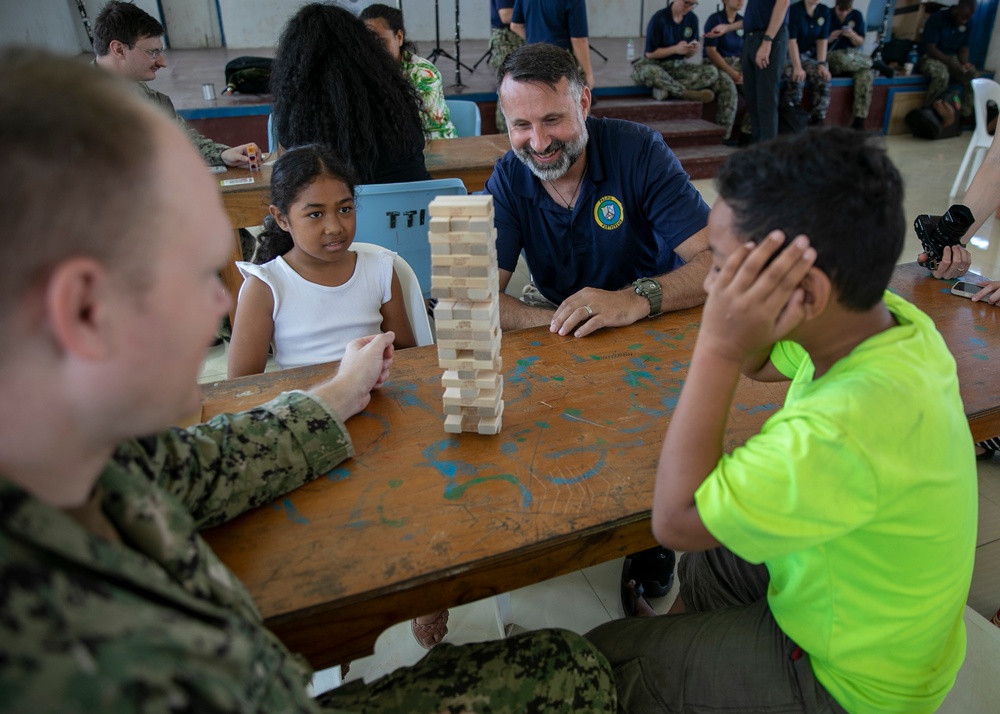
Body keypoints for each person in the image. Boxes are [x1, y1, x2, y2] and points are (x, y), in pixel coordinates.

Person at [0, 46, 619, 713]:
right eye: (196, 275)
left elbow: (204, 463)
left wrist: (336, 392)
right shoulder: (69, 664)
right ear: (84, 310)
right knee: (571, 669)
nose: (219, 305)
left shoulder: (82, 458)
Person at [586, 126, 977, 713]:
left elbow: (675, 519)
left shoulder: (843, 427)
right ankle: (684, 641)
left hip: (854, 683)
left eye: (726, 269)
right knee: (717, 558)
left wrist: (717, 341)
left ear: (807, 295)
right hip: (874, 607)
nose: (712, 283)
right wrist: (739, 330)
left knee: (610, 658)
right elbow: (764, 363)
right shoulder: (882, 318)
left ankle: (661, 664)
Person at [486, 43, 712, 338]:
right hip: (553, 314)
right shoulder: (507, 177)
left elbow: (719, 262)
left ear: (583, 103)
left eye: (552, 120)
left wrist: (633, 299)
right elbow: (476, 298)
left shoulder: (639, 151)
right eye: (521, 125)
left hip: (656, 307)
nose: (539, 142)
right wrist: (566, 322)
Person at [228, 145, 416, 378]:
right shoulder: (265, 287)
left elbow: (409, 358)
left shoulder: (380, 269)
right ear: (282, 219)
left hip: (375, 398)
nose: (335, 227)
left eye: (345, 209)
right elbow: (241, 384)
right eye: (316, 214)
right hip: (307, 407)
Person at [269, 3, 432, 184]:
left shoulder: (299, 120)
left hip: (351, 211)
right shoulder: (395, 100)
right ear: (365, 48)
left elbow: (289, 184)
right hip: (419, 209)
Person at [93, 1, 254, 167]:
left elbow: (178, 137)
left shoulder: (140, 93)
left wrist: (222, 154)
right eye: (152, 52)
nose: (163, 63)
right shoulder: (75, 108)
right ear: (119, 49)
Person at [632, 1, 738, 142]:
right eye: (686, 3)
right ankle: (685, 93)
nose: (688, 7)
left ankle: (668, 89)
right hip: (656, 63)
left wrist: (691, 50)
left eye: (692, 4)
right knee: (652, 72)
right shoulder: (660, 18)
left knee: (711, 72)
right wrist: (674, 49)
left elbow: (687, 54)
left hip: (678, 65)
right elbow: (650, 54)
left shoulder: (692, 19)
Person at [360, 3, 458, 140]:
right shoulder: (366, 69)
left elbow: (413, 128)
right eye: (367, 43)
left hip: (433, 146)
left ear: (399, 37)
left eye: (381, 42)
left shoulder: (422, 74)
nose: (374, 49)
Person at [707, 0, 790, 142]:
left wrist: (767, 40)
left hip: (769, 37)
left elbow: (783, 4)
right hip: (752, 37)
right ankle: (758, 146)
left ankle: (768, 151)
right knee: (753, 99)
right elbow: (754, 18)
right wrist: (728, 28)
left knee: (766, 98)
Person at [510, 0, 596, 90]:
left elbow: (515, 25)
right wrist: (588, 73)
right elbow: (578, 40)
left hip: (532, 57)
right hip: (561, 60)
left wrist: (536, 42)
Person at [918, 0, 978, 119]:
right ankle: (929, 114)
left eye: (967, 19)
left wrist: (964, 64)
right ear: (957, 9)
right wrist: (953, 65)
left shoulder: (968, 23)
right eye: (962, 17)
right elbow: (931, 48)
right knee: (942, 75)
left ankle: (962, 118)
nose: (964, 21)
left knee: (973, 77)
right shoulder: (938, 18)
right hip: (931, 57)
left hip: (952, 59)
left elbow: (964, 47)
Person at [703, 0, 752, 142]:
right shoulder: (715, 19)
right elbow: (711, 51)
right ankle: (723, 137)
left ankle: (746, 135)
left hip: (737, 64)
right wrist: (732, 72)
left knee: (754, 92)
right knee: (729, 90)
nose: (740, 1)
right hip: (718, 64)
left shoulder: (742, 21)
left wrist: (743, 71)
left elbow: (745, 50)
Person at [783, 0, 832, 127]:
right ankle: (794, 119)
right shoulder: (794, 10)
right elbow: (791, 41)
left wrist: (821, 63)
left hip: (807, 55)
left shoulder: (824, 11)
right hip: (788, 55)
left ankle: (818, 119)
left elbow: (822, 39)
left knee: (822, 76)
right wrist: (797, 67)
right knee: (797, 77)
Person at [827, 0, 874, 130]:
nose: (843, 14)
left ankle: (859, 120)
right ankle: (873, 63)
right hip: (833, 56)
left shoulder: (857, 15)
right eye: (840, 11)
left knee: (866, 75)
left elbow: (860, 42)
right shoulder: (827, 14)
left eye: (846, 11)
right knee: (841, 59)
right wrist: (830, 37)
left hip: (853, 58)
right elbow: (817, 40)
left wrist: (852, 35)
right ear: (836, 6)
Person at [489, 0, 525, 133]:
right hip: (507, 40)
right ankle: (505, 133)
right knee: (509, 87)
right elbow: (505, 15)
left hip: (519, 37)